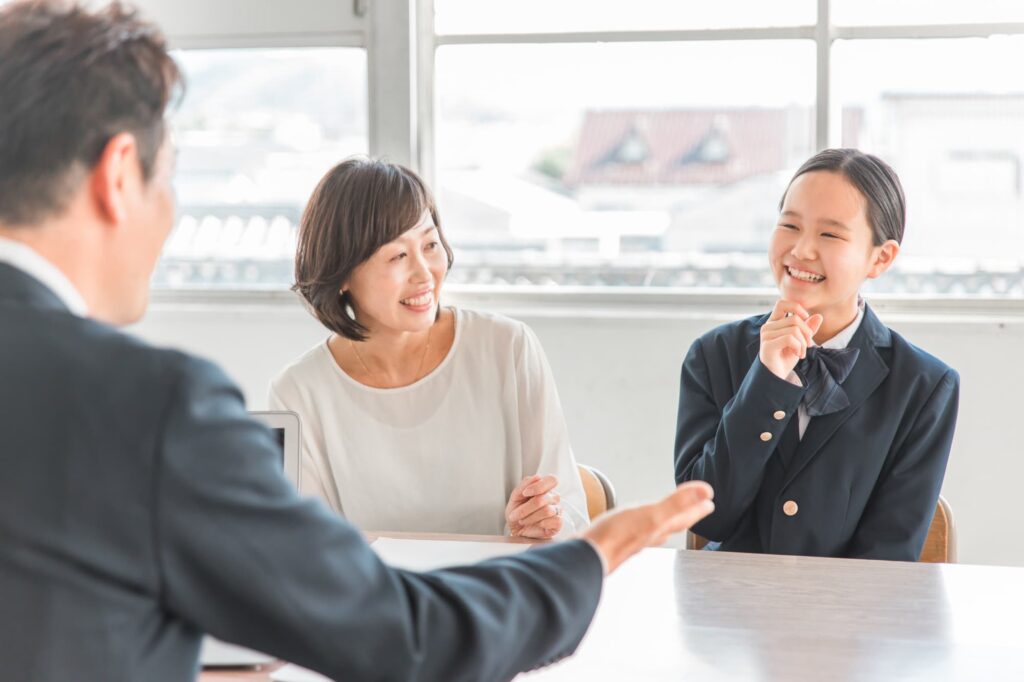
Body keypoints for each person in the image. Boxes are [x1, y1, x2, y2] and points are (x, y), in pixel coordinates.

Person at [0, 2, 715, 681]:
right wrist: (592, 558)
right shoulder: (149, 406)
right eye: (167, 178)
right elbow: (399, 634)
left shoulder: (504, 349)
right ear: (119, 175)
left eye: (427, 245)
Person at [269, 158, 587, 539]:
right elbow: (303, 548)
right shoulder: (298, 393)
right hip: (372, 581)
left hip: (498, 578)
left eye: (430, 245)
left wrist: (542, 520)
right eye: (397, 256)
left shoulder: (508, 349)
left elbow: (569, 510)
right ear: (342, 274)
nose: (424, 273)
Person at [674, 148, 958, 561]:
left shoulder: (925, 385)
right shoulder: (713, 354)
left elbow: (888, 556)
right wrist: (766, 381)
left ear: (880, 257)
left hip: (854, 603)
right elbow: (704, 517)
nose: (802, 249)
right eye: (790, 225)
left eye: (830, 235)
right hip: (729, 599)